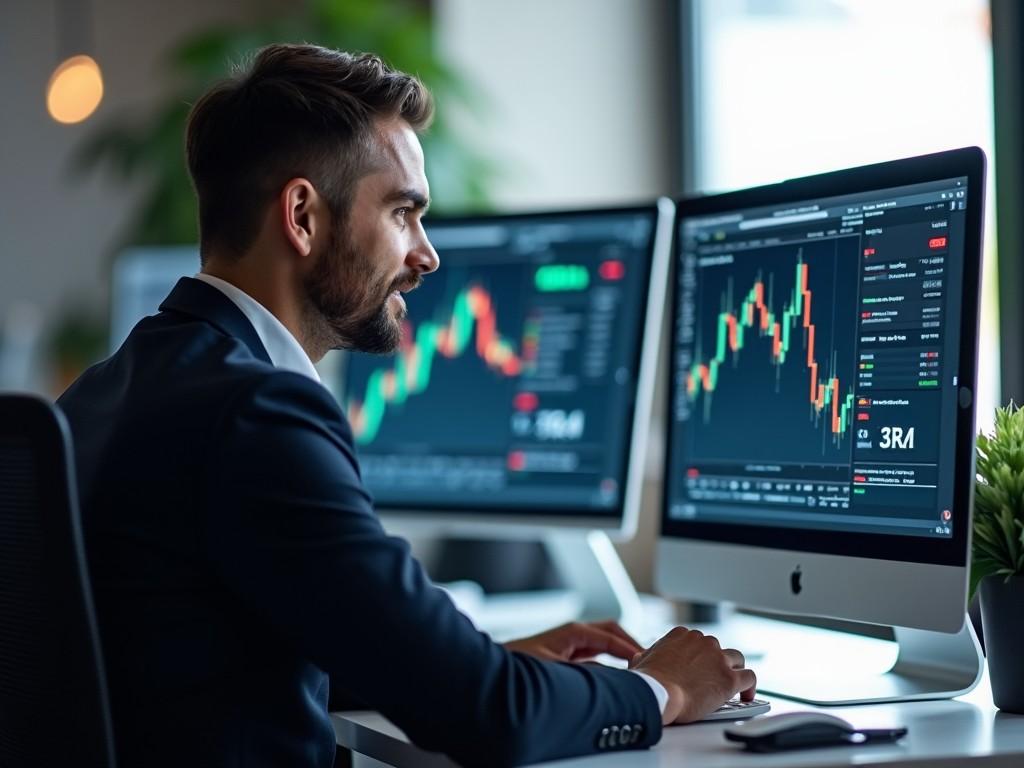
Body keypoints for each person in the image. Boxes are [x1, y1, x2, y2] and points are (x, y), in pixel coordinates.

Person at [57, 44, 756, 768]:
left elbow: (201, 661)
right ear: (301, 215)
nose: (428, 255)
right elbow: (490, 718)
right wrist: (660, 691)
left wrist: (465, 659)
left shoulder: (111, 386)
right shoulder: (259, 411)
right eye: (403, 212)